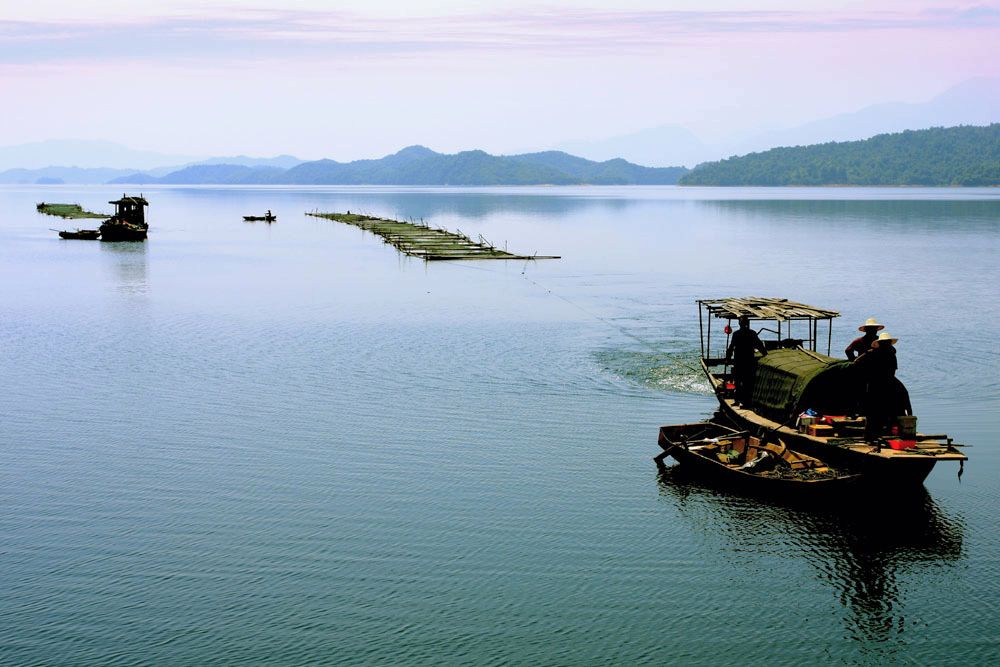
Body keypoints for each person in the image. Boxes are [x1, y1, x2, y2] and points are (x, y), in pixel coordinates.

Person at [854, 331, 899, 441]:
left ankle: (870, 436)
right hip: (886, 385)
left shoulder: (872, 353)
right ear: (888, 343)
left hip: (874, 385)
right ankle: (880, 435)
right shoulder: (891, 355)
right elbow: (893, 372)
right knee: (883, 410)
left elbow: (856, 362)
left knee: (872, 411)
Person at [726, 315, 768, 407]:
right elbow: (760, 345)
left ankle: (739, 400)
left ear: (740, 324)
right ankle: (743, 401)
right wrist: (765, 354)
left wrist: (728, 359)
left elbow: (731, 347)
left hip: (740, 360)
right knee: (746, 382)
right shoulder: (751, 333)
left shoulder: (737, 334)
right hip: (747, 360)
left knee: (739, 381)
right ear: (747, 324)